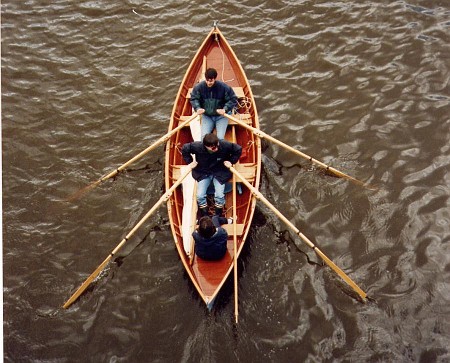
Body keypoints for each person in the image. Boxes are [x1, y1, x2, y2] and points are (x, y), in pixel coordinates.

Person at [181, 133, 242, 217]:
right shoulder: (198, 146)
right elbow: (185, 148)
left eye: (217, 145)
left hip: (220, 171)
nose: (216, 149)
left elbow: (238, 149)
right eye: (213, 147)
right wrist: (190, 162)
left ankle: (218, 216)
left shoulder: (224, 144)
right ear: (206, 146)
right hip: (203, 172)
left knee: (219, 195)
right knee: (200, 196)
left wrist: (231, 161)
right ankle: (205, 215)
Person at [190, 68, 238, 140]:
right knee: (204, 138)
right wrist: (197, 108)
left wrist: (225, 109)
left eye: (211, 81)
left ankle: (219, 149)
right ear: (205, 79)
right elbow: (194, 99)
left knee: (220, 138)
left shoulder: (224, 87)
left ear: (215, 79)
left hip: (221, 116)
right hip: (207, 116)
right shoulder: (199, 87)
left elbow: (233, 99)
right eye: (207, 80)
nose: (209, 83)